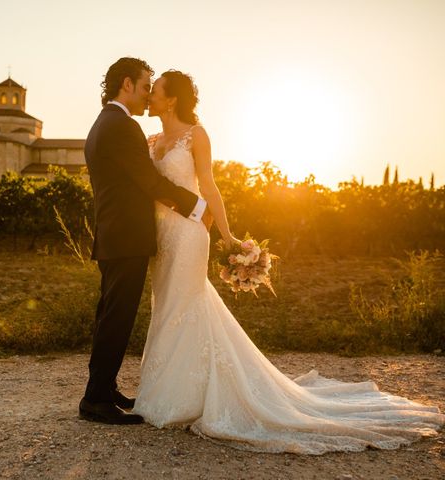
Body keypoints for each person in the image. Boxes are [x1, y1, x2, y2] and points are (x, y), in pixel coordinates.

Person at [131, 69, 445, 454]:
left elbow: (209, 185)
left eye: (156, 91)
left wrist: (227, 236)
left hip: (190, 235)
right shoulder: (151, 139)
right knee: (164, 307)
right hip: (162, 238)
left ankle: (187, 398)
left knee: (186, 305)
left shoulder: (196, 135)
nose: (150, 97)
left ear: (172, 98)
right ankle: (163, 391)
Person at [80, 58, 212, 424]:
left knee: (110, 316)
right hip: (126, 237)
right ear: (127, 85)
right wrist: (196, 207)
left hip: (115, 234)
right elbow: (149, 183)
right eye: (143, 87)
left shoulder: (105, 122)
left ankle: (103, 389)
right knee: (116, 319)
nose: (146, 96)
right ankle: (95, 400)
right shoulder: (122, 127)